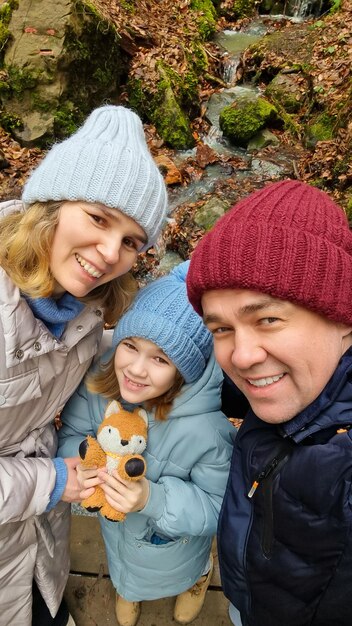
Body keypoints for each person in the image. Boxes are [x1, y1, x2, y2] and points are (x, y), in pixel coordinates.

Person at [0, 104, 167, 626]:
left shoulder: (86, 308)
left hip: (31, 534)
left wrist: (170, 354)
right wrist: (49, 482)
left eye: (131, 242)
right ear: (49, 206)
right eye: (98, 218)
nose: (109, 252)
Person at [186, 179, 352, 626]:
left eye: (269, 319)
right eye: (221, 329)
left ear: (344, 320)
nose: (240, 356)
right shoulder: (297, 385)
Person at [57, 261, 234, 626]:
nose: (136, 369)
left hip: (174, 543)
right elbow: (71, 435)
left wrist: (152, 499)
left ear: (183, 370)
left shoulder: (207, 431)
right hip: (117, 534)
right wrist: (85, 458)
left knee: (181, 568)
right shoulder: (97, 388)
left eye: (159, 359)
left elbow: (218, 506)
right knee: (125, 567)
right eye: (130, 346)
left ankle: (198, 579)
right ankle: (127, 588)